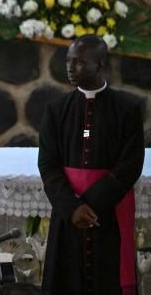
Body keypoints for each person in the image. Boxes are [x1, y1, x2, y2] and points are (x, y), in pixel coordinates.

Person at [38, 35, 145, 295]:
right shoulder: (56, 109)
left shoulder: (127, 108)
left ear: (99, 64)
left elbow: (131, 164)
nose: (70, 68)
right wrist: (72, 207)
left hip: (108, 211)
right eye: (68, 62)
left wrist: (92, 204)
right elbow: (48, 164)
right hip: (69, 214)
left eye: (78, 63)